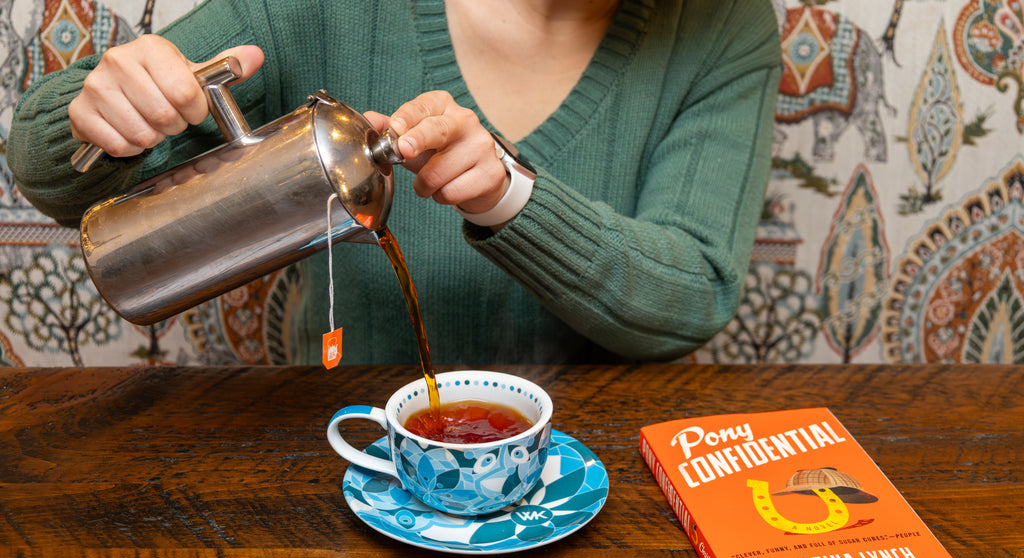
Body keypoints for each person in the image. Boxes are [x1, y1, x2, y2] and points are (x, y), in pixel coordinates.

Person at [7, 0, 782, 366]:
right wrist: (96, 115)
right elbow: (53, 179)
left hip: (598, 486)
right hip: (348, 457)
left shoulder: (724, 26)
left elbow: (692, 296)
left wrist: (508, 195)